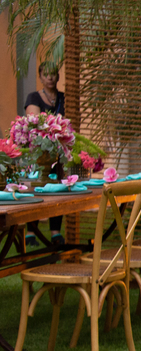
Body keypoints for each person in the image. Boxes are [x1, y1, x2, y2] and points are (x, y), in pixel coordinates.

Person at [24, 61, 66, 246]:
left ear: (58, 76)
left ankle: (55, 231)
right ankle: (30, 231)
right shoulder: (33, 97)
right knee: (36, 187)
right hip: (39, 152)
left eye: (53, 74)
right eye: (45, 74)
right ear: (40, 77)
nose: (50, 77)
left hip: (60, 151)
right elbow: (34, 122)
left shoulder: (64, 98)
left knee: (59, 187)